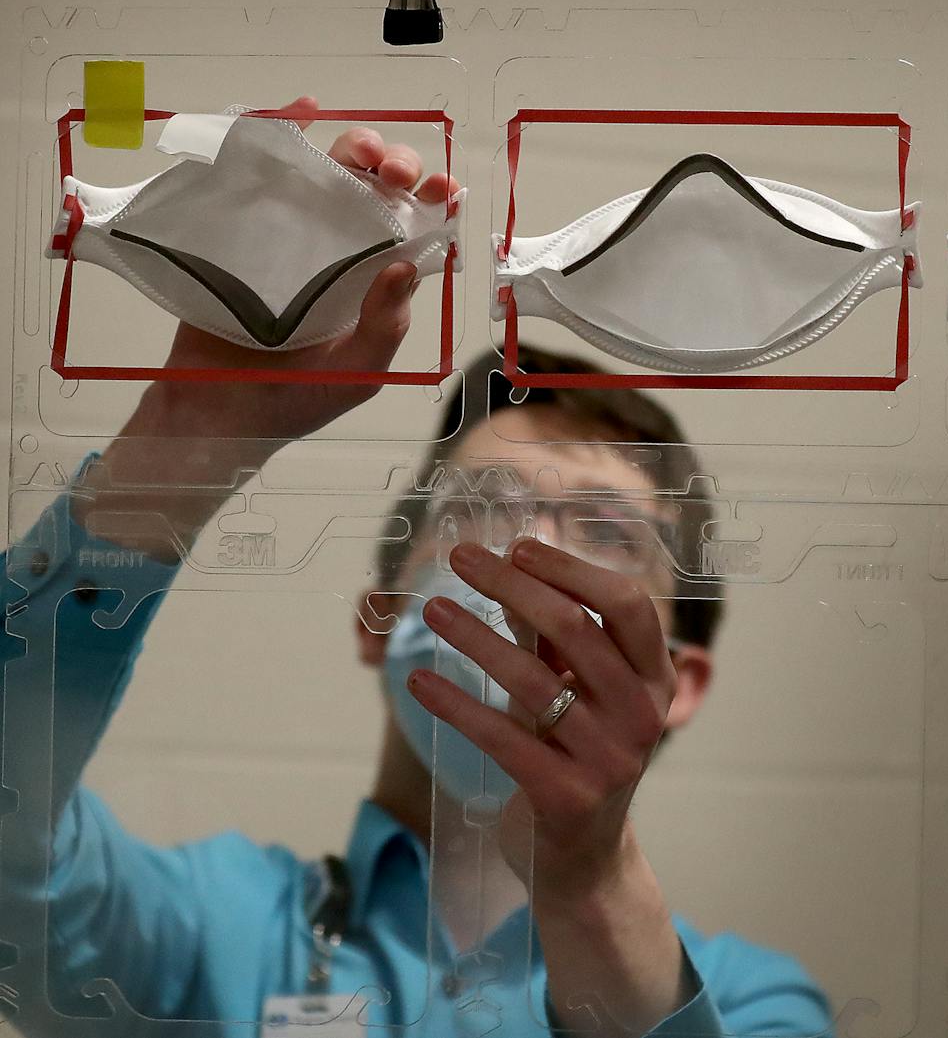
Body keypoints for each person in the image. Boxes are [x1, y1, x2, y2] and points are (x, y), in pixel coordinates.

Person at [0, 104, 832, 1038]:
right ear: (378, 611)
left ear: (682, 682)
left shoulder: (756, 1002)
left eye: (606, 533)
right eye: (485, 507)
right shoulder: (205, 933)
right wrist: (189, 432)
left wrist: (592, 878)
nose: (536, 559)